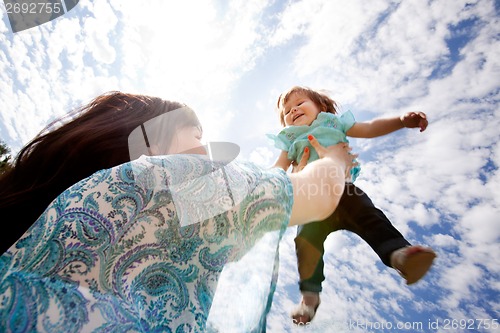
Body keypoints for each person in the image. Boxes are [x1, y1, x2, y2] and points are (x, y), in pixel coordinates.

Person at [0, 91, 355, 332]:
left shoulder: (69, 205)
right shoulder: (171, 182)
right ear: (153, 139)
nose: (205, 148)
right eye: (196, 134)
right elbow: (316, 194)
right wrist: (336, 158)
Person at [267, 86, 437, 324]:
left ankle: (399, 254)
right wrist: (258, 183)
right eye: (287, 111)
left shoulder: (334, 123)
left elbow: (369, 128)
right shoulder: (290, 139)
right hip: (310, 195)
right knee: (306, 242)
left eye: (300, 103)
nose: (293, 110)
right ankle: (310, 296)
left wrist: (400, 121)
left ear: (322, 107)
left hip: (343, 189)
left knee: (369, 216)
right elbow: (278, 168)